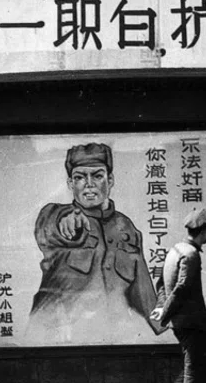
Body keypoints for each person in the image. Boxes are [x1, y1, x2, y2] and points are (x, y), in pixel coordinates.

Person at [28, 143, 163, 344]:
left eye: (97, 176)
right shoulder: (54, 216)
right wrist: (67, 218)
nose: (88, 184)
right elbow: (48, 227)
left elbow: (143, 294)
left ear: (110, 180)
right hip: (58, 341)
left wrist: (167, 327)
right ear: (70, 184)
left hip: (112, 340)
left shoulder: (126, 227)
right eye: (79, 177)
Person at [151, 207, 206, 383]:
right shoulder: (191, 255)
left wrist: (162, 308)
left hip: (181, 321)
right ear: (204, 231)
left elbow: (160, 283)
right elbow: (182, 288)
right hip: (190, 321)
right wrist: (165, 313)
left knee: (195, 362)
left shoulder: (175, 250)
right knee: (197, 364)